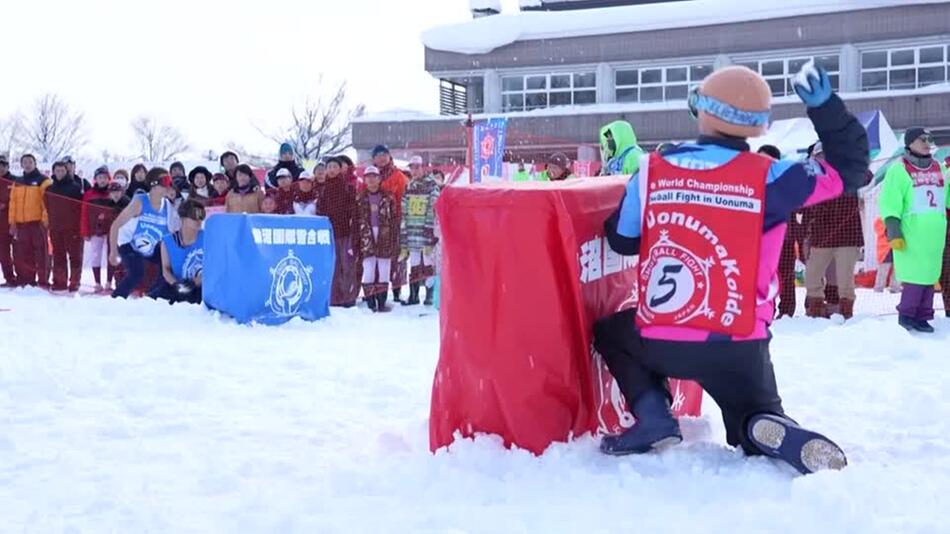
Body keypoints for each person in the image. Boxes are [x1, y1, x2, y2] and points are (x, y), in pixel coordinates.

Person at [596, 63, 868, 475]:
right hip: (738, 340)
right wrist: (826, 109)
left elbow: (621, 239)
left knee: (612, 332)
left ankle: (652, 412)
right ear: (759, 126)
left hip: (661, 336)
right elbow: (850, 170)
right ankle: (759, 423)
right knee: (753, 412)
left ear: (700, 111)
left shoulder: (652, 171)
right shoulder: (773, 178)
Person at [880, 128, 949, 333]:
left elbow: (945, 196)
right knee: (914, 277)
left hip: (934, 234)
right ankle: (907, 314)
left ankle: (923, 315)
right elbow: (890, 201)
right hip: (912, 233)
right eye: (922, 140)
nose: (927, 143)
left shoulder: (938, 167)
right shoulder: (899, 169)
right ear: (909, 143)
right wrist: (893, 230)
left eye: (929, 139)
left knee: (929, 275)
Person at [802, 141, 864, 319]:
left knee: (845, 279)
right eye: (821, 156)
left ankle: (846, 313)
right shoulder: (812, 179)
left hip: (848, 236)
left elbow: (867, 176)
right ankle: (815, 311)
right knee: (812, 275)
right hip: (821, 235)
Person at [110, 167, 181, 299]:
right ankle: (116, 298)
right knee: (137, 273)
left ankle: (152, 298)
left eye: (170, 182)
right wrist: (113, 252)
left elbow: (176, 230)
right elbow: (115, 226)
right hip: (129, 243)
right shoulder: (140, 202)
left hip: (149, 246)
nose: (169, 186)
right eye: (165, 182)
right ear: (154, 185)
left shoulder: (167, 206)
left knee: (167, 266)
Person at [399, 156, 440, 305]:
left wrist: (429, 232)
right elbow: (403, 211)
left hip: (425, 230)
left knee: (428, 263)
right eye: (412, 168)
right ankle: (413, 295)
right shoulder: (408, 186)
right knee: (414, 263)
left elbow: (433, 209)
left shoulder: (432, 186)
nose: (415, 171)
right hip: (412, 231)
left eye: (417, 167)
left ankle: (429, 295)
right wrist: (404, 234)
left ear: (423, 168)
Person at [356, 166, 398, 312]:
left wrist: (395, 239)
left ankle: (382, 301)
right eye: (368, 176)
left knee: (384, 268)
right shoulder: (360, 197)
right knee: (368, 268)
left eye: (374, 176)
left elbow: (394, 219)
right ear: (365, 179)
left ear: (379, 179)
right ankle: (370, 302)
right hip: (366, 235)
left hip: (385, 234)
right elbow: (355, 221)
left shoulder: (388, 196)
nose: (371, 179)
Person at [372, 145, 410, 302]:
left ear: (389, 156)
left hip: (395, 222)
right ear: (373, 158)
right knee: (375, 257)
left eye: (384, 154)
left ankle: (396, 291)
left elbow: (405, 200)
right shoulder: (370, 175)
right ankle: (376, 291)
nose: (381, 158)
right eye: (378, 155)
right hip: (374, 223)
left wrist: (401, 221)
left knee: (396, 258)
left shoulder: (398, 177)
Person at [9, 154, 52, 287]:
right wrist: (13, 222)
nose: (27, 164)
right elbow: (13, 203)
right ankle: (29, 280)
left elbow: (47, 203)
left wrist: (45, 221)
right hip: (22, 225)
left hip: (37, 223)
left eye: (30, 162)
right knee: (25, 253)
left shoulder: (44, 180)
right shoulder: (18, 182)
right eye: (25, 162)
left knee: (42, 253)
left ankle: (43, 280)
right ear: (21, 165)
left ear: (35, 163)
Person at [319, 157, 358, 307]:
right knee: (333, 266)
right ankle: (334, 297)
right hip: (329, 234)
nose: (332, 169)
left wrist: (353, 228)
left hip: (345, 232)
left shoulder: (348, 188)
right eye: (329, 167)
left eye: (335, 166)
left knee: (347, 265)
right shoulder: (323, 189)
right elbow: (320, 210)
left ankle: (348, 296)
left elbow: (353, 210)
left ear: (341, 169)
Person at [153, 199, 205, 305]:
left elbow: (215, 269)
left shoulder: (208, 238)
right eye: (194, 216)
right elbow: (166, 269)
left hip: (202, 287)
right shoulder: (168, 241)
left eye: (201, 216)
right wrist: (176, 284)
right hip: (176, 285)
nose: (199, 220)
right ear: (183, 219)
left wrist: (194, 282)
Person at [89, 182, 130, 291]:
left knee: (124, 260)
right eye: (113, 193)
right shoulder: (108, 204)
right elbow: (103, 219)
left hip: (125, 237)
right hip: (112, 237)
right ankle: (115, 282)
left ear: (122, 192)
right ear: (109, 194)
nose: (115, 195)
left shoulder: (127, 203)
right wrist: (99, 227)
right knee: (112, 258)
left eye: (117, 192)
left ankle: (125, 282)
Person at [80, 166, 113, 291]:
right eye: (100, 177)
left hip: (111, 231)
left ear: (109, 179)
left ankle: (109, 281)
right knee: (95, 255)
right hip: (95, 231)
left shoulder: (113, 192)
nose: (102, 180)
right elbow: (84, 214)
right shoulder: (89, 195)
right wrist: (85, 231)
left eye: (105, 177)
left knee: (111, 255)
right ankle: (97, 282)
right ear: (95, 179)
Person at [0, 155, 16, 286]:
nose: (0, 168)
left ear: (7, 166)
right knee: (3, 253)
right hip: (1, 225)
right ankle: (9, 278)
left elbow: (21, 200)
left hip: (16, 223)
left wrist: (6, 204)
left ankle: (24, 277)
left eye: (3, 166)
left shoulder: (16, 181)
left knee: (19, 252)